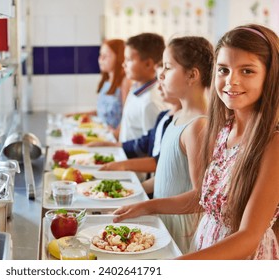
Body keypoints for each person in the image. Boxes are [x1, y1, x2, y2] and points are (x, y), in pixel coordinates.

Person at [114, 24, 279, 260]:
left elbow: (249, 236)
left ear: (270, 75)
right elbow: (204, 200)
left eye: (247, 71)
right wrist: (146, 205)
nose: (231, 81)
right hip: (205, 248)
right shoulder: (224, 129)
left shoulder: (273, 142)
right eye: (223, 70)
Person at [113, 36, 214, 254]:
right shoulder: (177, 116)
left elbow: (199, 197)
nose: (161, 75)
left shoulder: (198, 126)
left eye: (168, 67)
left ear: (192, 75)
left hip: (183, 229)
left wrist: (148, 205)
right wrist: (132, 192)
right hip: (165, 221)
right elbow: (169, 176)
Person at [86, 83, 181, 189]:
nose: (158, 87)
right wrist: (110, 144)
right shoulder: (164, 115)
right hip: (154, 184)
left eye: (163, 82)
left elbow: (161, 162)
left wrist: (123, 165)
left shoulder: (178, 122)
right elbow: (143, 143)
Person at [66, 39, 130, 130]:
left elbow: (127, 117)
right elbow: (102, 113)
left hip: (113, 138)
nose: (100, 59)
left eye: (105, 56)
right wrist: (76, 115)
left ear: (119, 57)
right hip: (102, 132)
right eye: (100, 55)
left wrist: (115, 135)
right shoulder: (107, 81)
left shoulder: (125, 82)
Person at [117, 33, 168, 142]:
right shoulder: (135, 88)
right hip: (125, 155)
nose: (124, 64)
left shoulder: (150, 102)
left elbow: (151, 146)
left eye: (129, 60)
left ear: (148, 64)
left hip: (134, 158)